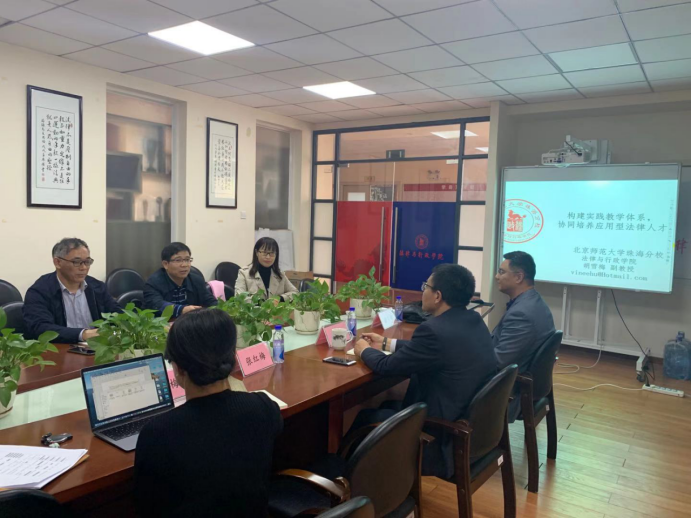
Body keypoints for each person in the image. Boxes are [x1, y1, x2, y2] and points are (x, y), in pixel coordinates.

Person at [134, 308, 283, 518]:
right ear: (233, 357)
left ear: (178, 368)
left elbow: (146, 507)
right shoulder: (263, 407)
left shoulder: (158, 433)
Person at [353, 263, 496, 479]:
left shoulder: (433, 331)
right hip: (466, 424)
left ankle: (349, 481)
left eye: (426, 287)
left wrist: (363, 350)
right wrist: (386, 343)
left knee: (365, 417)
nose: (423, 292)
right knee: (385, 405)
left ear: (437, 296)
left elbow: (386, 366)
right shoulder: (472, 320)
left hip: (437, 437)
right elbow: (431, 350)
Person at [23, 238, 121, 344]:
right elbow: (41, 328)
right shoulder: (39, 291)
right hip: (60, 349)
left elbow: (118, 315)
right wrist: (83, 334)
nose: (84, 267)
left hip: (97, 348)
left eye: (87, 262)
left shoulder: (97, 287)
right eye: (76, 262)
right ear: (58, 262)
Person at [492, 251, 555, 374]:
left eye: (501, 272)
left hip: (506, 381)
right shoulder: (533, 300)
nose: (496, 276)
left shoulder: (521, 314)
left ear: (519, 277)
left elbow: (499, 361)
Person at [144, 242, 217, 318]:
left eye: (187, 260)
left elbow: (211, 302)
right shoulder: (153, 283)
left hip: (191, 323)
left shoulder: (196, 280)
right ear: (165, 264)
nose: (184, 265)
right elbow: (157, 304)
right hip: (163, 323)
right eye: (178, 260)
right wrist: (181, 310)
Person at [235, 237, 298, 302]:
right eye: (264, 253)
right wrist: (260, 302)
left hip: (276, 309)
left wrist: (280, 298)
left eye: (272, 253)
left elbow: (295, 292)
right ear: (256, 252)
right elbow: (239, 297)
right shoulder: (244, 273)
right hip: (253, 308)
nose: (268, 257)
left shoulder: (280, 275)